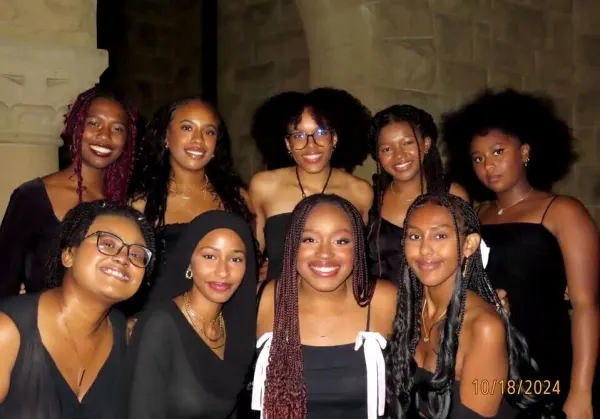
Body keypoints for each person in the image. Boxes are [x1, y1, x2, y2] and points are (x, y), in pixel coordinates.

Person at [442, 89, 599, 417]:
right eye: (478, 158)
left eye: (498, 151)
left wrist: (582, 391)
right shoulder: (476, 215)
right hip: (487, 363)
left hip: (545, 364)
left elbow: (586, 305)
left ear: (525, 152)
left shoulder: (562, 211)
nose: (488, 165)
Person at [387, 194, 551, 418]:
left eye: (440, 236)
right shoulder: (407, 308)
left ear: (469, 245)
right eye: (414, 236)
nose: (425, 249)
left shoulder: (484, 327)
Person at [0, 200, 155, 419]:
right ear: (68, 255)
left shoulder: (126, 336)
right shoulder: (7, 331)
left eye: (137, 254)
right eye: (108, 244)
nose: (123, 258)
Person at [251, 194, 397, 418]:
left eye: (341, 241)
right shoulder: (265, 299)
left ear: (357, 246)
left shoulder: (383, 300)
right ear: (291, 245)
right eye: (309, 240)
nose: (325, 254)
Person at [0, 87, 139, 298]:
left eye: (117, 128)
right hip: (37, 326)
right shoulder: (32, 197)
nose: (104, 135)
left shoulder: (125, 206)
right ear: (76, 127)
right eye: (94, 123)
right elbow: (4, 280)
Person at [128, 97, 254, 311]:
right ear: (166, 137)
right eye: (187, 128)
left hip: (226, 323)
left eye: (209, 132)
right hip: (161, 322)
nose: (198, 140)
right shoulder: (141, 205)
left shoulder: (237, 199)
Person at [127, 210, 256, 419]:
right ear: (189, 261)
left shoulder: (235, 326)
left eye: (235, 259)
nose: (223, 271)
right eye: (209, 256)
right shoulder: (161, 325)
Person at [250, 88, 373, 282]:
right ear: (287, 144)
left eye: (321, 133)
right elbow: (250, 256)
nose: (311, 145)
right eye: (299, 136)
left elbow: (362, 262)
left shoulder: (360, 192)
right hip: (277, 303)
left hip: (340, 306)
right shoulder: (264, 186)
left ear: (335, 138)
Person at [367, 104, 468, 283]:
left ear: (426, 144)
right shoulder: (370, 199)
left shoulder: (452, 194)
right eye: (387, 149)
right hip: (380, 307)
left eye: (407, 143)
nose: (399, 155)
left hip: (436, 306)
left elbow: (468, 262)